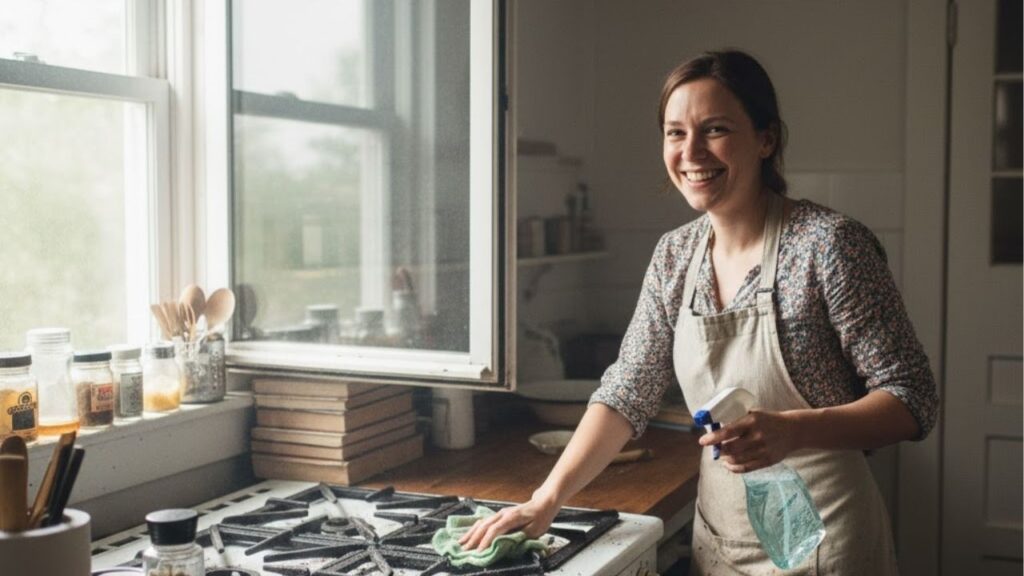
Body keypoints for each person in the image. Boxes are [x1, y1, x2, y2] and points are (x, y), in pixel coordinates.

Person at [459, 49, 938, 574]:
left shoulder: (829, 247)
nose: (691, 152)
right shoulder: (674, 255)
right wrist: (545, 498)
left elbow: (912, 398)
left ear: (766, 138)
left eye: (714, 130)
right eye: (674, 133)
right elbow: (627, 391)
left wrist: (794, 430)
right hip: (723, 542)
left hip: (828, 544)